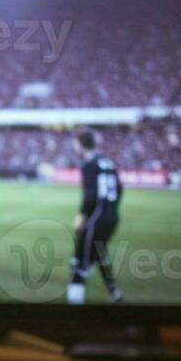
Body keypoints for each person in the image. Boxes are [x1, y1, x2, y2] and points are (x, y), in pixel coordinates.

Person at [67, 128, 125, 305]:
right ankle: (115, 293)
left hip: (96, 219)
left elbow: (90, 196)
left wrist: (81, 216)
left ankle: (75, 305)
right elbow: (120, 188)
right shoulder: (107, 162)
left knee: (79, 263)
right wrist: (111, 208)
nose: (74, 145)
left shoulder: (89, 165)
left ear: (80, 144)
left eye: (75, 142)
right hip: (112, 217)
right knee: (100, 253)